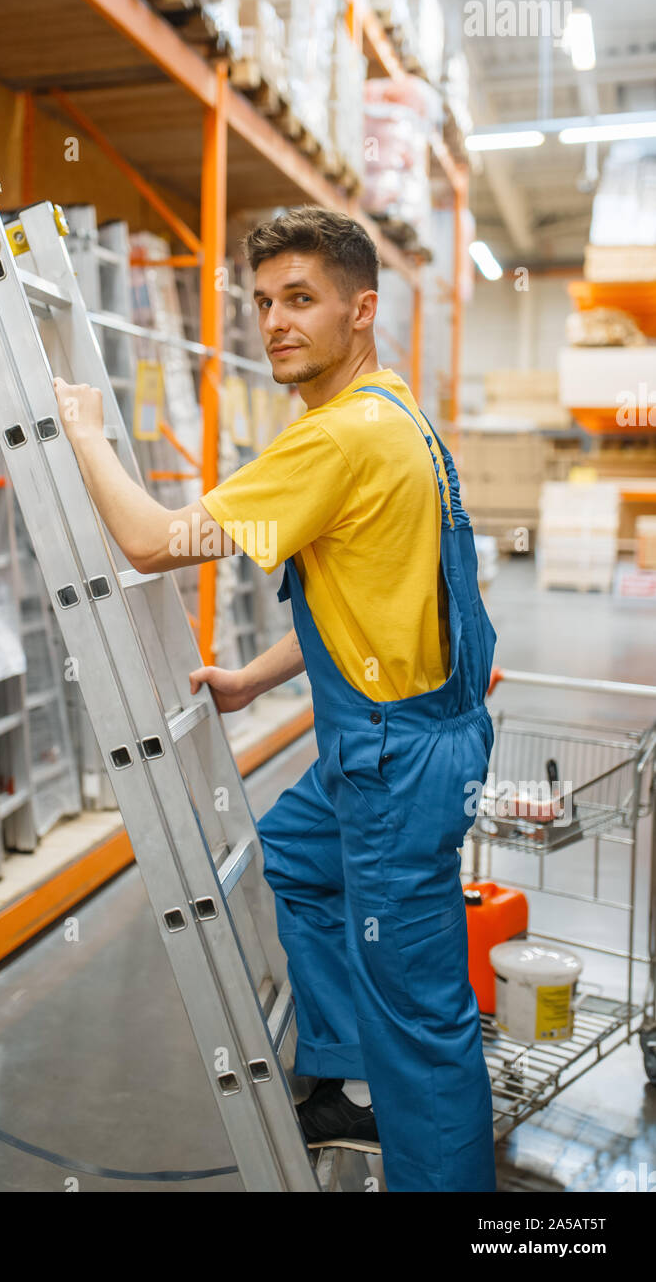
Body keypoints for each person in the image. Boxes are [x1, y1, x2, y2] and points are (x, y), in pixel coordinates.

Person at [53, 204, 497, 1193]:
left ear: (361, 309)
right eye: (262, 302)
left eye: (301, 298)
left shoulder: (338, 440)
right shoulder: (395, 414)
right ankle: (344, 1076)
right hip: (403, 737)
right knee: (292, 856)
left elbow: (152, 541)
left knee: (423, 1018)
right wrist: (253, 677)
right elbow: (372, 595)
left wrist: (80, 434)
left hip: (394, 761)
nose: (275, 321)